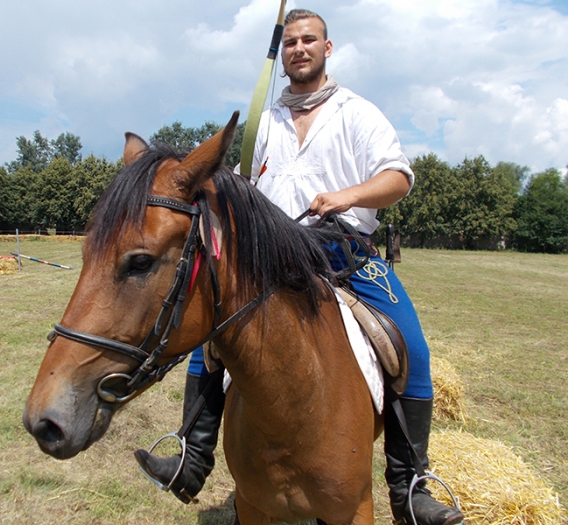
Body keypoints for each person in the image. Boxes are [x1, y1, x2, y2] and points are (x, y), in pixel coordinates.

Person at [135, 9, 464, 525]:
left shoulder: (358, 113)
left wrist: (348, 196)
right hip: (272, 259)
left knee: (410, 343)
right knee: (211, 334)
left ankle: (410, 486)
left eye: (309, 40)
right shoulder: (266, 124)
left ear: (327, 49)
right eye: (290, 42)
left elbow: (398, 178)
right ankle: (192, 454)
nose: (299, 49)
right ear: (281, 52)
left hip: (344, 255)